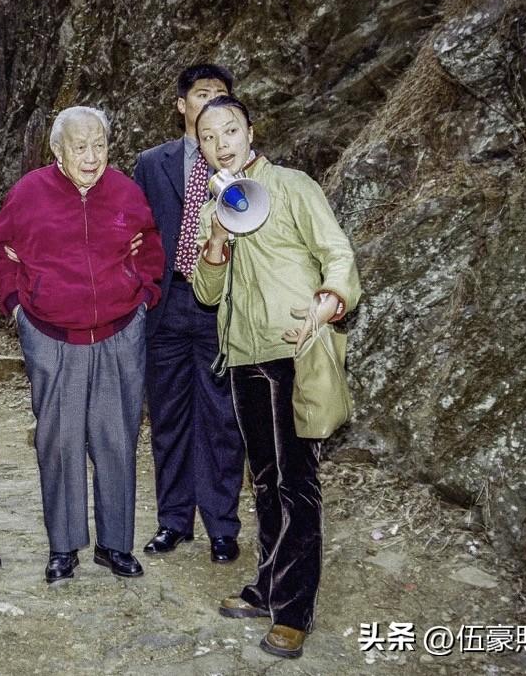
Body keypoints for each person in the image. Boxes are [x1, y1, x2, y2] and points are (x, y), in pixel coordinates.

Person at [191, 95, 361, 660]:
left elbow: (336, 251)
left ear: (250, 131)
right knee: (264, 479)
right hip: (243, 356)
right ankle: (268, 586)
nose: (221, 144)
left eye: (230, 130)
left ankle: (293, 611)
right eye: (208, 137)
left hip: (295, 351)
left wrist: (329, 300)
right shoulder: (214, 208)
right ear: (201, 147)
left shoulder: (291, 186)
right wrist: (217, 242)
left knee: (297, 481)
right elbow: (206, 293)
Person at [0, 106, 164, 583]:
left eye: (99, 146)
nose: (91, 157)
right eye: (80, 147)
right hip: (51, 335)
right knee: (59, 442)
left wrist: (143, 295)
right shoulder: (29, 193)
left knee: (117, 438)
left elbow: (150, 246)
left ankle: (115, 545)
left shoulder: (125, 191)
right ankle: (63, 547)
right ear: (57, 150)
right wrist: (16, 307)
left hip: (119, 331)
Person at [133, 64, 247, 562]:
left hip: (222, 303)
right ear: (182, 105)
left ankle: (222, 524)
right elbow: (135, 231)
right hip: (166, 303)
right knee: (169, 416)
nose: (210, 102)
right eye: (201, 94)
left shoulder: (241, 163)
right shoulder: (151, 163)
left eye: (220, 95)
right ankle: (173, 520)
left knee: (222, 418)